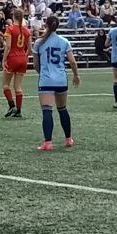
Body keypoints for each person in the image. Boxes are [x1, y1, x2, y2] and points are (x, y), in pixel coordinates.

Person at [31, 15, 81, 151]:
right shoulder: (64, 41)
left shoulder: (39, 42)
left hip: (46, 79)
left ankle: (48, 142)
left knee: (47, 110)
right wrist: (76, 75)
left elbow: (35, 64)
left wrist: (43, 73)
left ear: (46, 25)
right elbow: (72, 61)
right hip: (61, 79)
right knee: (62, 109)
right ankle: (68, 138)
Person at [2, 9, 32, 119]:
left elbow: (8, 46)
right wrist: (24, 56)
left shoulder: (10, 29)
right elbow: (30, 48)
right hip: (22, 59)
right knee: (18, 86)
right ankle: (19, 110)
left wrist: (4, 59)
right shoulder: (26, 30)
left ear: (13, 17)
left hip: (12, 58)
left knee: (6, 84)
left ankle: (11, 106)